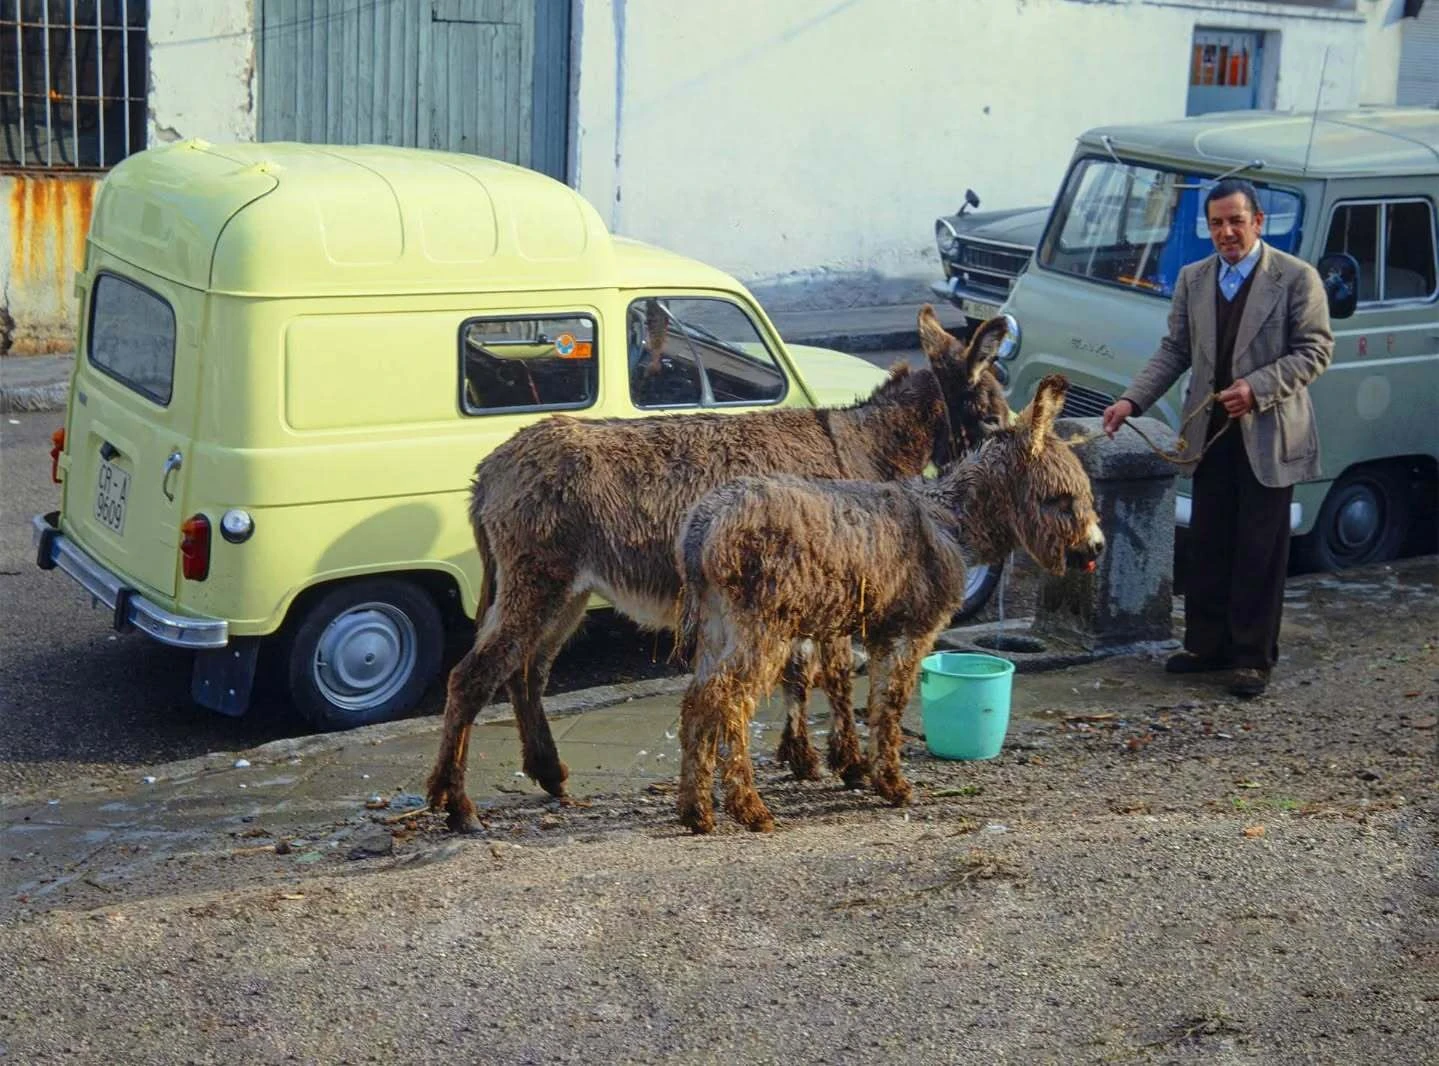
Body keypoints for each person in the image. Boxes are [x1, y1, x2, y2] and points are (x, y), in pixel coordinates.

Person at [1102, 178, 1333, 698]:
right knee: (1208, 543)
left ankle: (1251, 658)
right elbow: (1175, 350)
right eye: (1216, 224)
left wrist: (1256, 388)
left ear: (1258, 222)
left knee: (1259, 550)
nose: (1226, 232)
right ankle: (1205, 648)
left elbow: (1315, 351)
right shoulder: (1195, 278)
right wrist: (1130, 402)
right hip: (1209, 436)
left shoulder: (1296, 278)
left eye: (1236, 221)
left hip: (1270, 436)